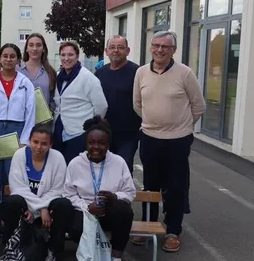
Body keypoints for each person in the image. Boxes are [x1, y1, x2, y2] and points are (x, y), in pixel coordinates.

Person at [132, 30, 206, 252]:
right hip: (149, 139)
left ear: (173, 50)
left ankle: (173, 231)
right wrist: (154, 122)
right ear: (151, 47)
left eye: (165, 46)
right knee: (150, 186)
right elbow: (138, 104)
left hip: (177, 142)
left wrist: (180, 127)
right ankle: (148, 226)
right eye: (156, 45)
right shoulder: (141, 73)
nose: (160, 50)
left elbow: (198, 106)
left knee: (175, 187)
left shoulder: (185, 73)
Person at [0, 43, 35, 238]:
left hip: (16, 133)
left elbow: (30, 113)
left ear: (18, 59)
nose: (9, 59)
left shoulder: (25, 83)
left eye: (12, 56)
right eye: (5, 56)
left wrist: (25, 139)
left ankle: (12, 221)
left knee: (13, 178)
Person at [65, 115, 136, 261]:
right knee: (75, 228)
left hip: (108, 211)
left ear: (108, 144)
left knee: (124, 211)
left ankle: (116, 256)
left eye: (101, 143)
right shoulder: (75, 164)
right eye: (91, 143)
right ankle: (89, 252)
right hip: (85, 211)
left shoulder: (119, 162)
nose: (96, 147)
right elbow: (68, 194)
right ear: (86, 143)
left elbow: (130, 192)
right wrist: (87, 207)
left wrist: (114, 197)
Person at [1, 124, 72, 261]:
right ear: (29, 141)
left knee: (64, 204)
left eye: (44, 144)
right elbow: (17, 188)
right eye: (35, 142)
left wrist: (43, 208)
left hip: (48, 211)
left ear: (50, 144)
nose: (39, 147)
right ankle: (11, 247)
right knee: (12, 202)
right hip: (27, 208)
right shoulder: (19, 155)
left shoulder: (58, 158)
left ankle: (54, 250)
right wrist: (38, 208)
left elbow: (57, 190)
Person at [53, 41, 108, 164]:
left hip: (78, 133)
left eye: (70, 55)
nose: (66, 58)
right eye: (63, 55)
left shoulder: (88, 78)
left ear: (77, 56)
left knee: (76, 170)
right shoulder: (59, 77)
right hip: (59, 131)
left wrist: (89, 125)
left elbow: (101, 106)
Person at [94, 36, 141, 173]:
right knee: (102, 170)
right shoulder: (100, 73)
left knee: (123, 171)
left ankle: (122, 195)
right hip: (103, 133)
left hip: (127, 135)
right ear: (106, 51)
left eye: (120, 47)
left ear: (128, 50)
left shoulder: (137, 72)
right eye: (112, 47)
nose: (116, 51)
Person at [18, 33, 58, 113]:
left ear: (43, 49)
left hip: (44, 123)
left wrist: (50, 111)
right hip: (20, 121)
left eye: (38, 45)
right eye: (31, 45)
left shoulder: (51, 72)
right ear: (26, 48)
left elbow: (54, 98)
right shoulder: (16, 70)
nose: (34, 48)